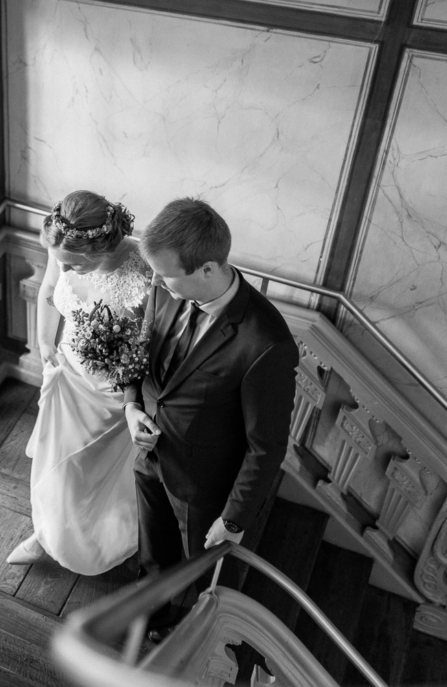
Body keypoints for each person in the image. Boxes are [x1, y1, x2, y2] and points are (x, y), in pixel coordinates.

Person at [124, 198, 298, 637]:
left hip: (207, 490)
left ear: (207, 269)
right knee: (154, 557)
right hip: (151, 459)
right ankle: (152, 623)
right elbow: (140, 354)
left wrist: (234, 519)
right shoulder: (164, 290)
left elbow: (267, 445)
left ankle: (212, 644)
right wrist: (131, 406)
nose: (157, 283)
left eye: (166, 275)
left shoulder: (266, 342)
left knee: (213, 582)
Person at [7, 190, 152, 575]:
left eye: (74, 265)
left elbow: (155, 344)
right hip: (65, 377)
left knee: (92, 475)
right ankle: (46, 533)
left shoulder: (145, 269)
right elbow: (49, 293)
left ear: (98, 247)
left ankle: (97, 539)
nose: (65, 270)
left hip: (111, 396)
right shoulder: (62, 249)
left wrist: (129, 389)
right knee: (54, 464)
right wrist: (42, 342)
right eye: (62, 262)